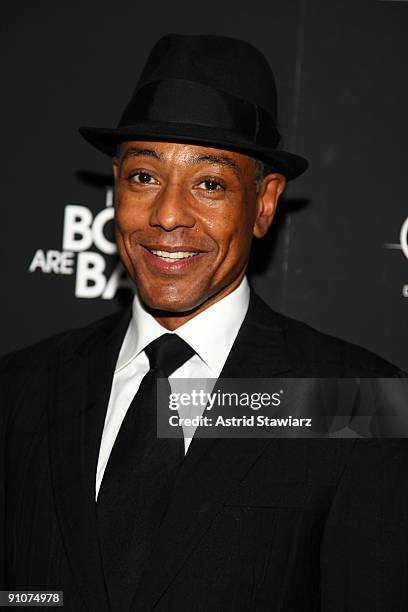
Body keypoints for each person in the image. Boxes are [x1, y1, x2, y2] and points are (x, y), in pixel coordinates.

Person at [1, 34, 407, 612]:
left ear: (264, 203)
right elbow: (25, 593)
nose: (167, 214)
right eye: (144, 177)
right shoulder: (20, 389)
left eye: (210, 184)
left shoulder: (356, 404)